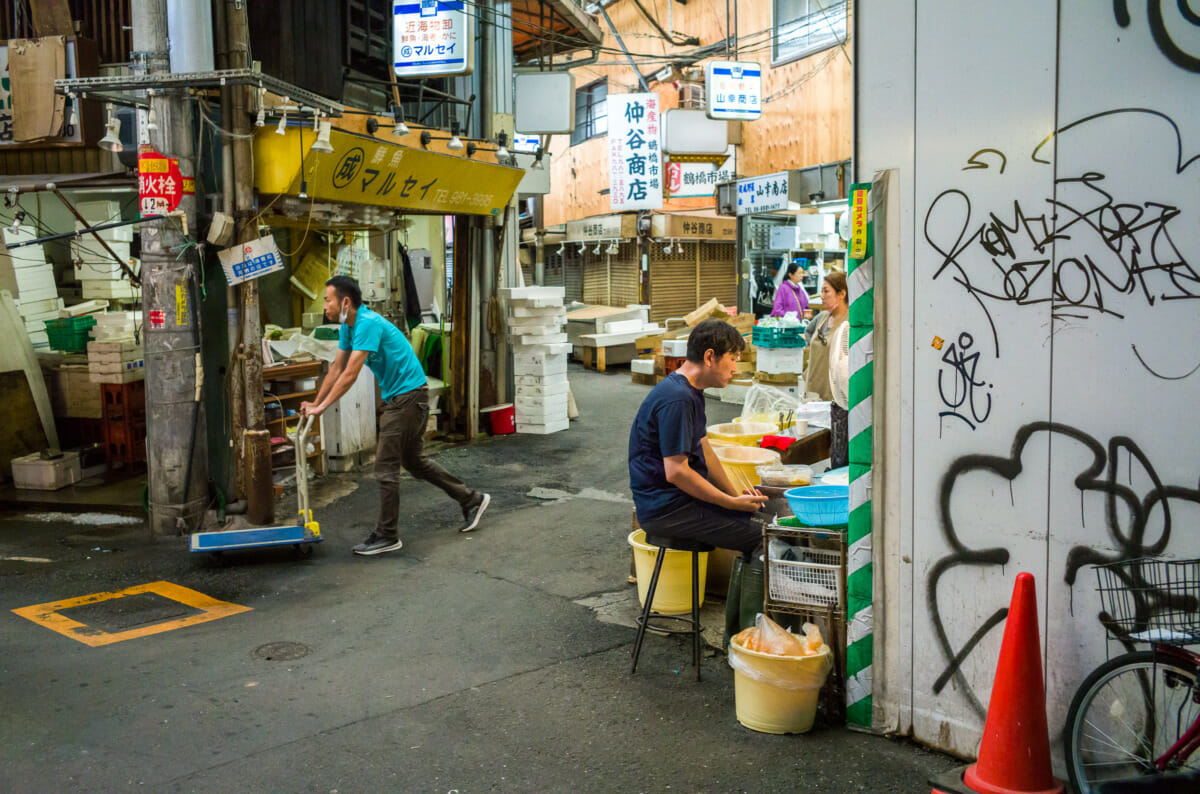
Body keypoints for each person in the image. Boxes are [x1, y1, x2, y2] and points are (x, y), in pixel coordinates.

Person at [301, 276, 490, 556]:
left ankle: (388, 535)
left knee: (385, 467)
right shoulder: (348, 327)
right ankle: (471, 499)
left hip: (408, 398)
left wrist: (321, 408)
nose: (325, 305)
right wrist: (315, 405)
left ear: (345, 302)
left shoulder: (367, 324)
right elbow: (336, 369)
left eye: (327, 300)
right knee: (414, 462)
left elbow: (351, 374)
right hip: (403, 397)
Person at [628, 319, 768, 559]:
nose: (735, 368)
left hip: (679, 501)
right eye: (732, 359)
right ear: (710, 357)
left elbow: (705, 449)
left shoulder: (691, 391)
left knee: (763, 518)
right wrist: (727, 502)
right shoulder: (678, 398)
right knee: (764, 536)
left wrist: (734, 495)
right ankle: (750, 598)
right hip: (667, 509)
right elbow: (676, 472)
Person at [804, 271, 849, 468]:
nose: (821, 296)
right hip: (813, 392)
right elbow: (808, 332)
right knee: (813, 447)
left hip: (836, 398)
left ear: (842, 294)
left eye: (826, 291)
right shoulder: (822, 318)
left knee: (836, 448)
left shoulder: (849, 322)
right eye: (821, 291)